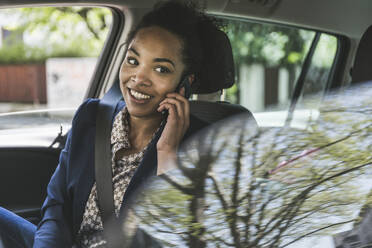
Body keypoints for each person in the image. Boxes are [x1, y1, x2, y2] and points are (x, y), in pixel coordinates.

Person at [0, 1, 225, 247]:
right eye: (133, 60)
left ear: (185, 82)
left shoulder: (206, 144)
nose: (138, 78)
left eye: (161, 69)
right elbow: (57, 207)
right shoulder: (91, 116)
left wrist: (167, 153)